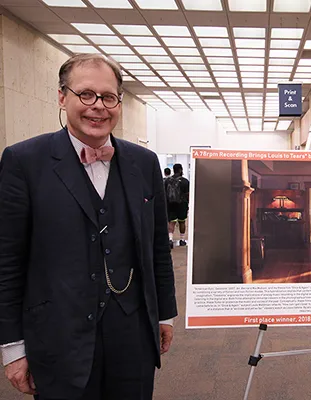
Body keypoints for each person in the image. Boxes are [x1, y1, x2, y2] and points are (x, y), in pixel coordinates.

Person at [0, 53, 177, 399]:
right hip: (57, 339)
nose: (98, 106)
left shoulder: (144, 162)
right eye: (86, 94)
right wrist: (13, 348)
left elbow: (157, 246)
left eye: (108, 97)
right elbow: (8, 262)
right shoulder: (24, 161)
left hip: (133, 337)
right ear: (62, 97)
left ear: (119, 102)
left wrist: (165, 315)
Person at [164, 163, 190, 248]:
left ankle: (170, 239)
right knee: (182, 221)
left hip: (170, 204)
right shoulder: (185, 181)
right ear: (180, 170)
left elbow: (164, 194)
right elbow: (188, 194)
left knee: (172, 222)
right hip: (182, 204)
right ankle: (182, 240)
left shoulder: (167, 181)